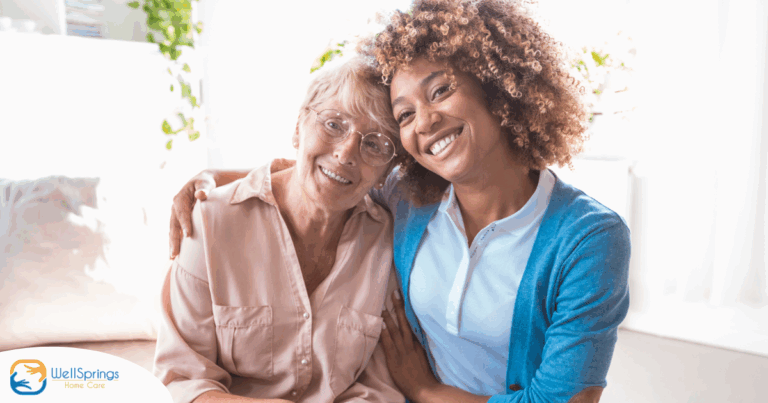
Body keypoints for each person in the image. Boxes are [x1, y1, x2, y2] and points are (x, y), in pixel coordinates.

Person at [168, 1, 630, 402]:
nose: (425, 122)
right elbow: (326, 172)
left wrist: (425, 391)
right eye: (405, 114)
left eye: (441, 90)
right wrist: (214, 179)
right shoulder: (412, 200)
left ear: (497, 86)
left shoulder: (588, 239)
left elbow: (565, 401)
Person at [153, 55, 407, 403]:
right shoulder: (211, 224)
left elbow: (377, 388)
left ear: (388, 169)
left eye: (375, 144)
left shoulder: (386, 242)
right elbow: (183, 381)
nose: (347, 153)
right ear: (299, 126)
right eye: (334, 124)